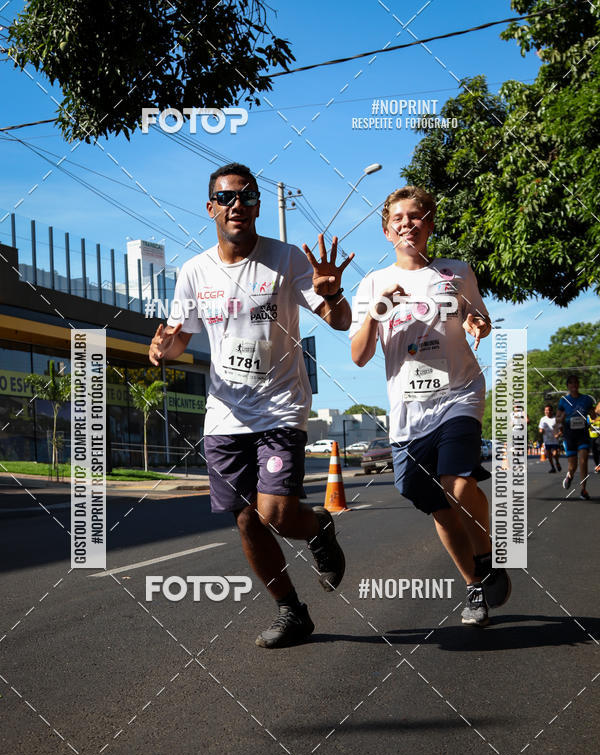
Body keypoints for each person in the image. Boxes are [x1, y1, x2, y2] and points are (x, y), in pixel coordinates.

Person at [149, 162, 353, 648]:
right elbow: (179, 340)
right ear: (210, 207)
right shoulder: (196, 272)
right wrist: (160, 351)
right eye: (226, 198)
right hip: (224, 414)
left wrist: (334, 293)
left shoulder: (287, 259)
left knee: (278, 513)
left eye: (246, 196)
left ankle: (318, 527)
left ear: (258, 205)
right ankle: (291, 611)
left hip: (280, 406)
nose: (237, 204)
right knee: (245, 519)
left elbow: (340, 321)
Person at [350, 185, 511, 627]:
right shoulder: (373, 283)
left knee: (456, 485)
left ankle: (487, 563)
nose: (408, 224)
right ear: (387, 231)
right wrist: (377, 311)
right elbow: (359, 355)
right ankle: (475, 584)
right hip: (409, 412)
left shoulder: (456, 271)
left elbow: (479, 317)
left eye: (416, 217)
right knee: (433, 502)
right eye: (398, 218)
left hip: (459, 393)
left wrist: (479, 322)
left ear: (430, 225)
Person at [556, 375, 596, 500]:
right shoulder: (563, 401)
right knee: (573, 465)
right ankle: (570, 476)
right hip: (569, 435)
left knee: (583, 461)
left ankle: (583, 489)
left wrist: (592, 414)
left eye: (576, 383)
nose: (574, 385)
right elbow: (557, 418)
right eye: (571, 383)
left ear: (578, 385)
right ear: (568, 386)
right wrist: (561, 418)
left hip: (583, 434)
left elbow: (593, 415)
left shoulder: (586, 399)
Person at [538, 404, 561, 473]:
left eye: (548, 410)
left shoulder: (555, 419)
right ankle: (553, 467)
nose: (547, 412)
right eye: (546, 410)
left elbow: (561, 430)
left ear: (552, 411)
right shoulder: (543, 419)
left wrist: (558, 434)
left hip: (554, 440)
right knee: (548, 455)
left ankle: (557, 462)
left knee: (555, 454)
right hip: (547, 440)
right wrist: (541, 431)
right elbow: (540, 429)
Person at [588, 402, 600, 473]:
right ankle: (597, 465)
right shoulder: (588, 417)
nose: (591, 411)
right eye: (590, 410)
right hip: (592, 438)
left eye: (592, 410)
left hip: (599, 437)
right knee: (595, 453)